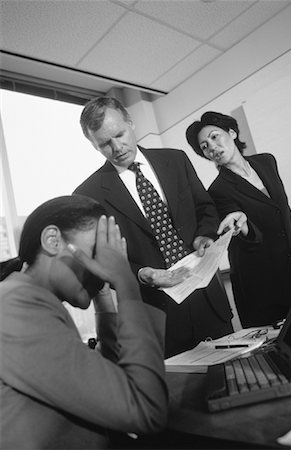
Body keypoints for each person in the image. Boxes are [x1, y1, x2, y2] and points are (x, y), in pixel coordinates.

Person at [74, 97, 247, 358]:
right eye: (104, 144)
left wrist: (205, 235)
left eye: (120, 135)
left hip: (209, 303)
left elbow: (205, 208)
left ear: (130, 122)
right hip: (157, 319)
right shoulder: (88, 195)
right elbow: (99, 259)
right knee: (182, 397)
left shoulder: (176, 160)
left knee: (237, 384)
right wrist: (142, 273)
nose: (117, 147)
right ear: (93, 145)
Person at [0, 195, 168, 450]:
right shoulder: (15, 307)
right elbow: (145, 407)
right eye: (99, 253)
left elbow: (115, 381)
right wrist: (126, 283)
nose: (107, 267)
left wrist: (102, 298)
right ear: (52, 241)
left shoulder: (31, 299)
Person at [186, 111, 291, 327]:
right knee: (282, 349)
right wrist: (244, 226)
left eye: (214, 136)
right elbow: (246, 237)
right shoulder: (218, 190)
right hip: (263, 278)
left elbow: (284, 211)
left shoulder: (266, 162)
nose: (212, 147)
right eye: (204, 147)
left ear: (232, 132)